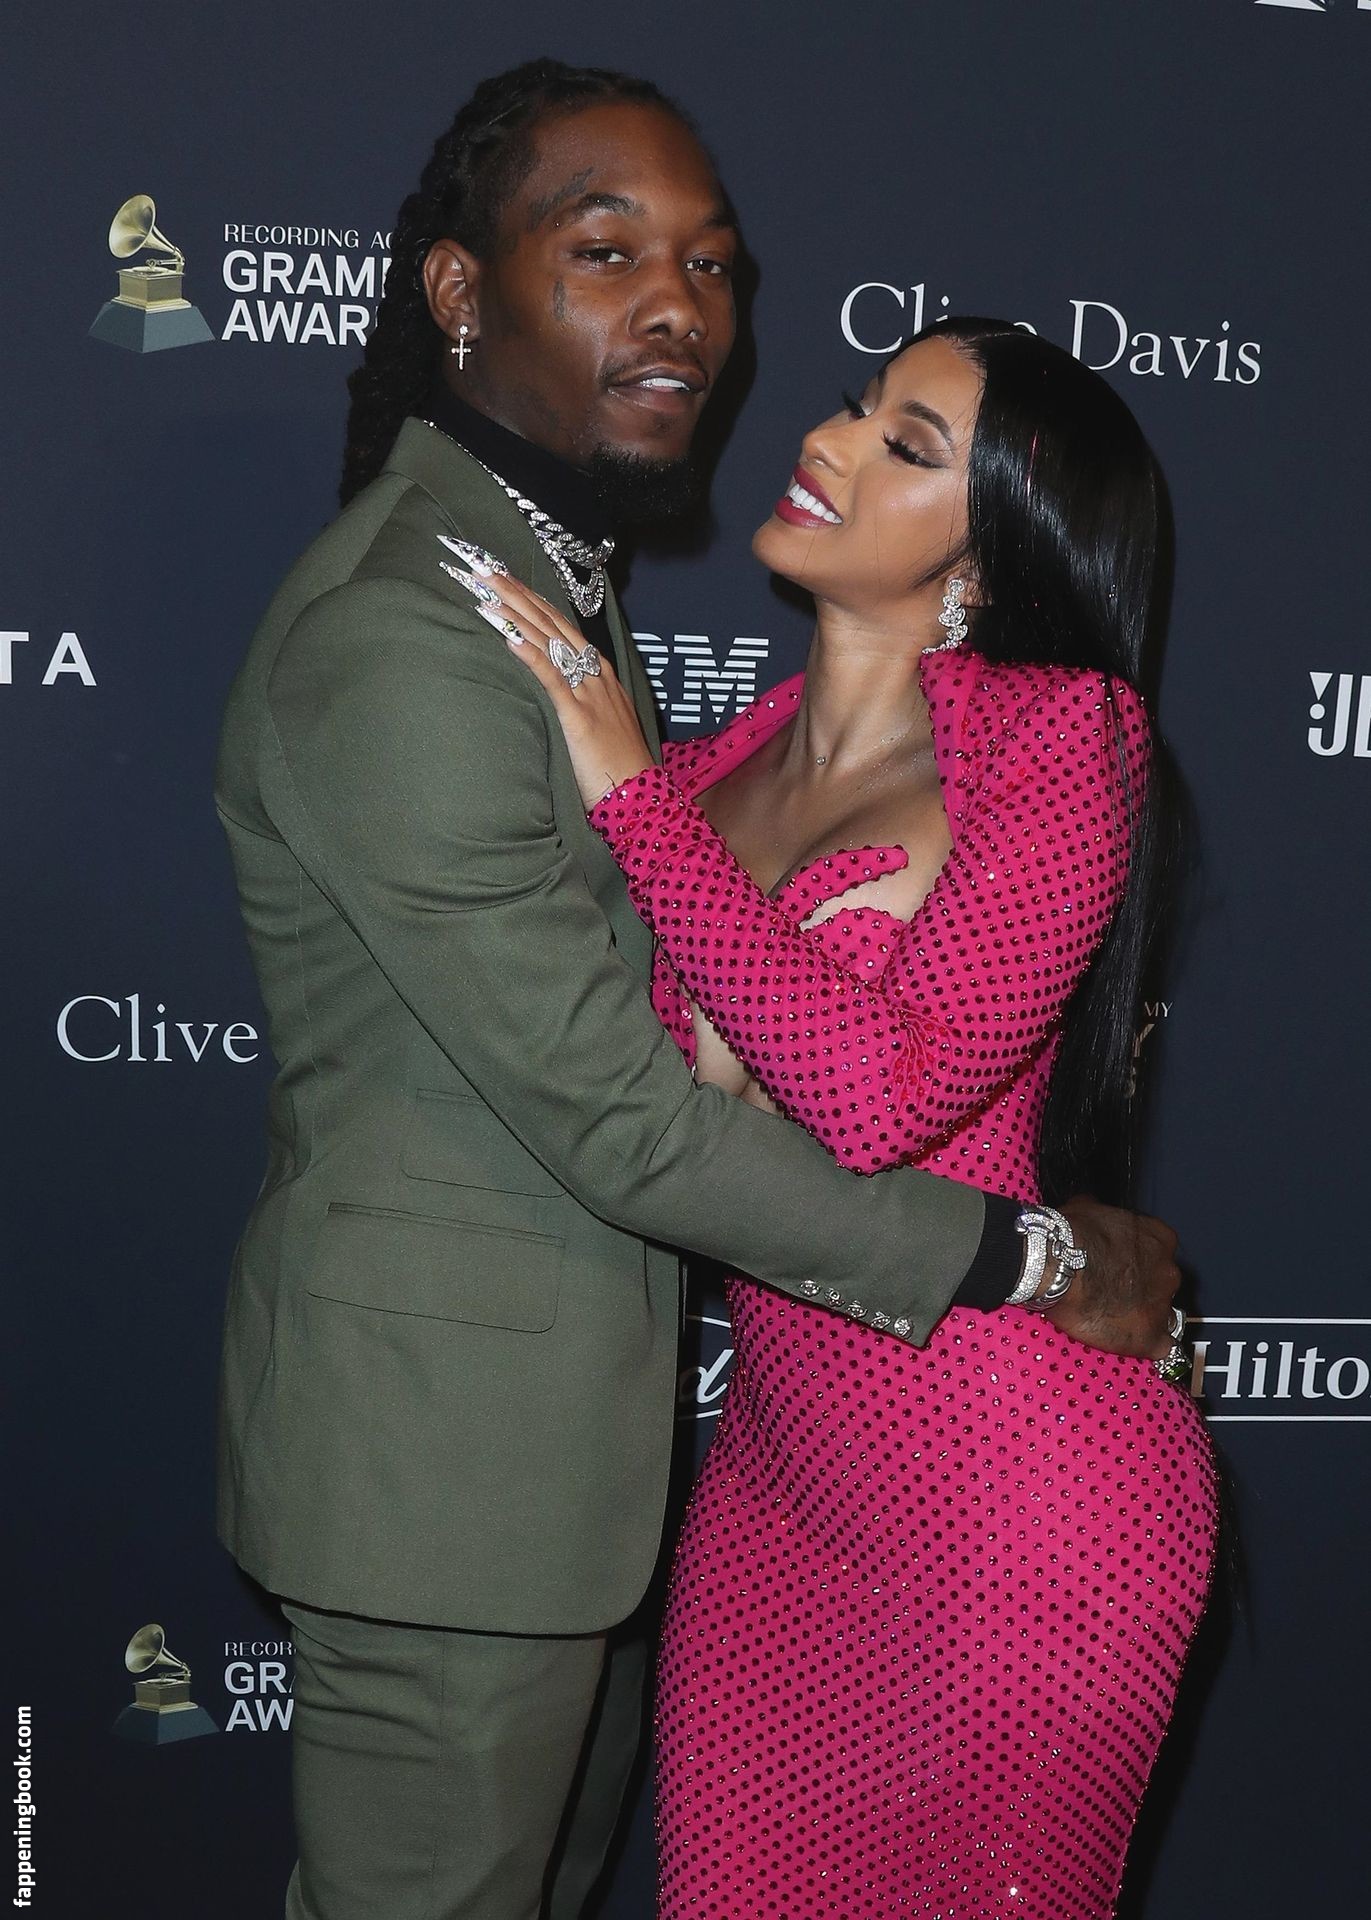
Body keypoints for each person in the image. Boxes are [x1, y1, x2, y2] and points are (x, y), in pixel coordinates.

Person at [214, 54, 1186, 1920]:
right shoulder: (438, 641)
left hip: (943, 1487)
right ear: (459, 290)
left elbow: (843, 1074)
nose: (683, 306)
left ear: (988, 554)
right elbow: (629, 1111)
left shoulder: (613, 650)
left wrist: (647, 816)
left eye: (714, 264)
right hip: (500, 1486)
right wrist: (1030, 1254)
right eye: (606, 250)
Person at [493, 319, 1218, 1916]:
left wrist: (633, 805)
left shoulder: (1063, 739)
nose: (827, 441)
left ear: (988, 553)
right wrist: (641, 798)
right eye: (853, 406)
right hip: (779, 1492)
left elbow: (883, 1096)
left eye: (907, 444)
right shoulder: (703, 772)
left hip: (1022, 1503)